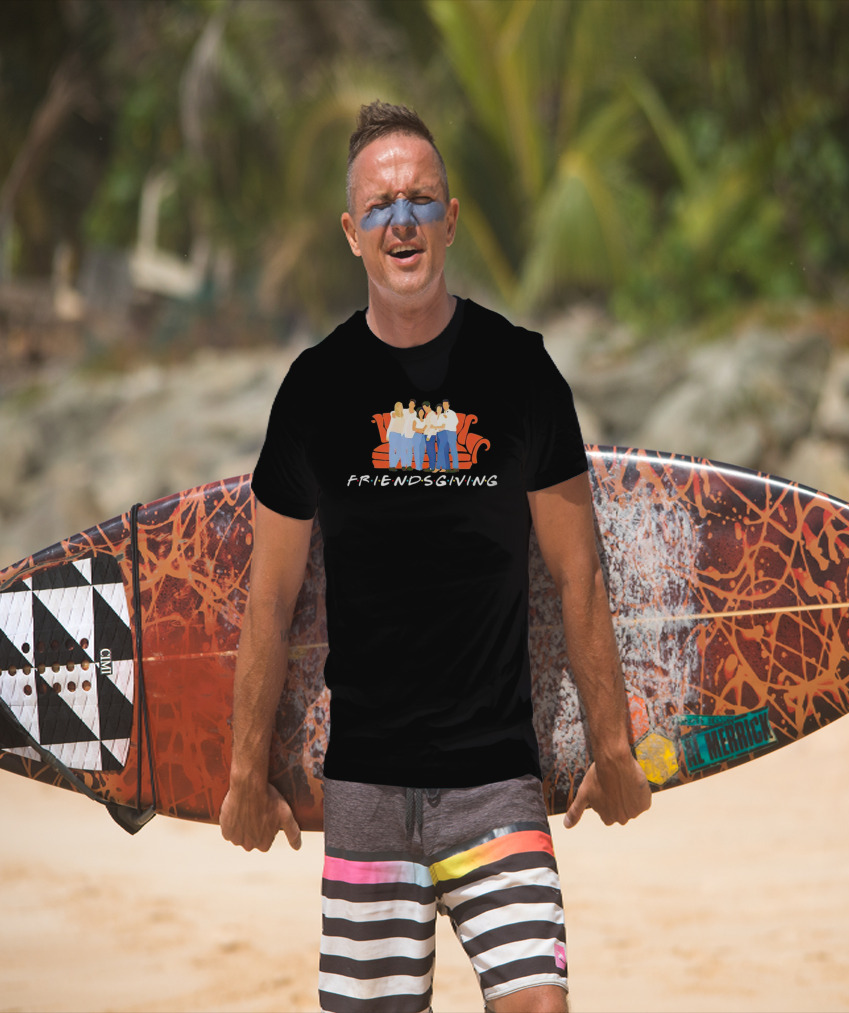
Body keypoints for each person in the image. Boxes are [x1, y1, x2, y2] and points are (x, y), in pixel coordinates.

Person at [220, 100, 651, 1013]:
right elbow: (270, 600)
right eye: (380, 206)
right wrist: (242, 772)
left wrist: (612, 746)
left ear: (451, 219)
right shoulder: (314, 391)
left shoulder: (522, 373)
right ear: (351, 233)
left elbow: (579, 575)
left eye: (421, 200)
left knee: (540, 1003)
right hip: (367, 788)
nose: (402, 220)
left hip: (496, 781)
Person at [441, 397, 460, 471]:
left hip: (451, 432)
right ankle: (447, 467)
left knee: (453, 450)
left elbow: (456, 422)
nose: (444, 406)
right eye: (443, 405)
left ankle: (455, 467)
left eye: (446, 404)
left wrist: (447, 419)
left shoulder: (452, 413)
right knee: (445, 450)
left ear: (449, 405)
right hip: (444, 433)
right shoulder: (443, 414)